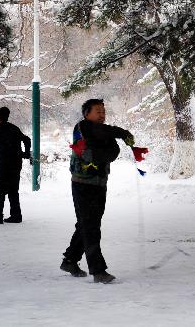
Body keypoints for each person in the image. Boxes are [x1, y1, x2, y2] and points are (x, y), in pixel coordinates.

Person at [60, 98, 134, 284]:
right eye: (98, 111)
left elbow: (114, 152)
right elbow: (104, 139)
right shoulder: (83, 127)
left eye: (103, 111)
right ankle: (98, 270)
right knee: (91, 226)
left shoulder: (103, 131)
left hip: (100, 183)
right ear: (87, 114)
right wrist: (122, 133)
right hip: (83, 184)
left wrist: (98, 154)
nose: (102, 114)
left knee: (87, 224)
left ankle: (70, 261)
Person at [0, 106, 31, 225]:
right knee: (13, 190)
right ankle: (16, 215)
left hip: (5, 165)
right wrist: (25, 153)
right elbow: (27, 140)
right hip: (16, 164)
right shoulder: (14, 128)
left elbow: (5, 147)